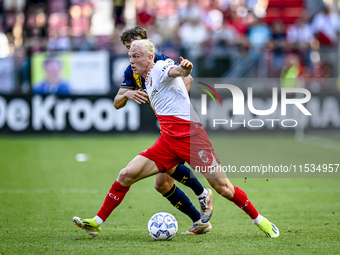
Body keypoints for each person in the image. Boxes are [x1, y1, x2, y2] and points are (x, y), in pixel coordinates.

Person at [73, 39, 279, 238]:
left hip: (192, 139)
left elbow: (177, 71)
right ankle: (97, 223)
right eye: (129, 56)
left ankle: (260, 220)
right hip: (168, 141)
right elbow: (121, 99)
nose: (131, 60)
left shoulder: (159, 68)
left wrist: (185, 69)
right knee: (127, 174)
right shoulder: (143, 78)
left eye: (136, 56)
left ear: (149, 57)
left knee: (224, 188)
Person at [74, 27, 214, 236]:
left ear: (147, 45)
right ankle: (199, 221)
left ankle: (203, 194)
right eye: (129, 48)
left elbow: (187, 78)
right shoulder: (131, 70)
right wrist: (128, 94)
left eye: (136, 46)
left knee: (159, 175)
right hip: (166, 128)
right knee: (162, 184)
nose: (132, 51)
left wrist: (173, 101)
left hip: (181, 126)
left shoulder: (160, 60)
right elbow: (116, 102)